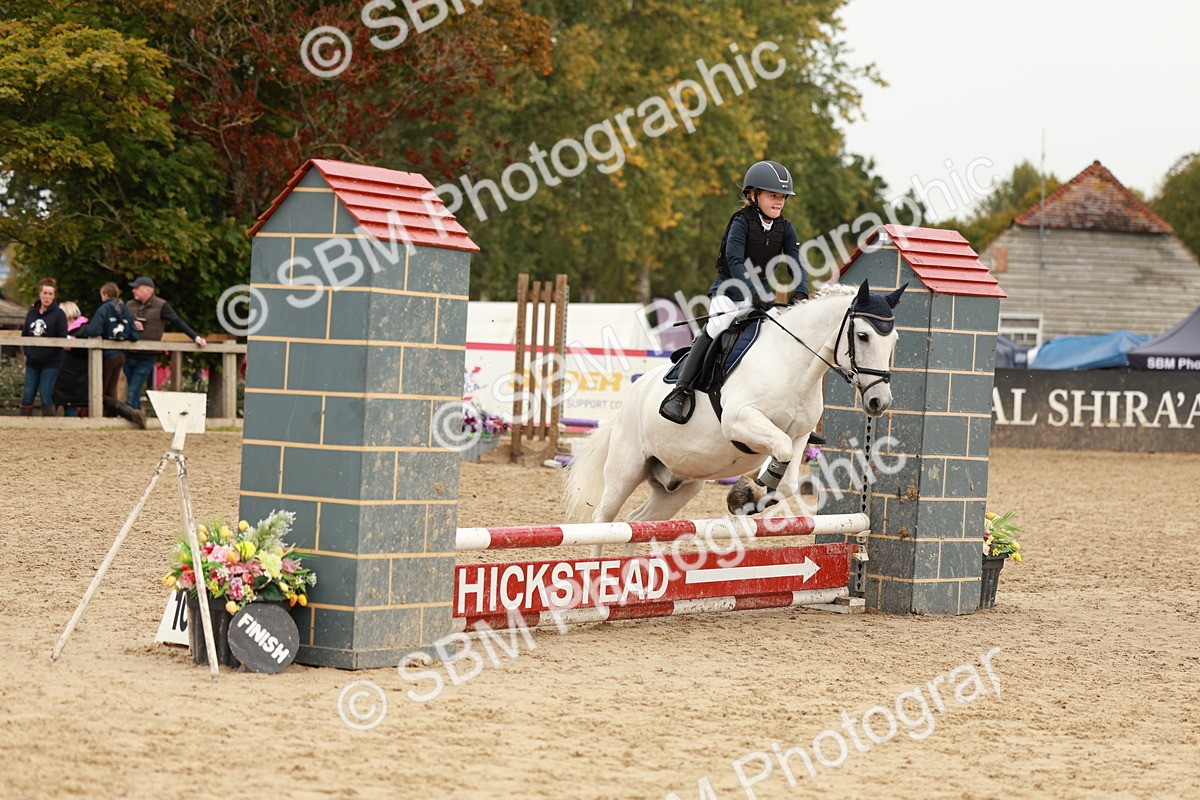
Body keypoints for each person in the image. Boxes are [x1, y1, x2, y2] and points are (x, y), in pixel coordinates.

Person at [660, 160, 805, 424]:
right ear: (754, 195)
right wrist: (753, 292)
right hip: (730, 290)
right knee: (717, 327)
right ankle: (681, 391)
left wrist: (802, 291)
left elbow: (796, 260)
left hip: (761, 295)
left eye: (782, 197)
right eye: (773, 195)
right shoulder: (741, 222)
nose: (779, 201)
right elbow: (734, 261)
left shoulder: (785, 227)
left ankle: (788, 409)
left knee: (782, 335)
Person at [125, 276, 207, 411]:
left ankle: (130, 414)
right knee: (133, 389)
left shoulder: (161, 305)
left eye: (137, 288)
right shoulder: (129, 305)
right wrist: (131, 324)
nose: (133, 291)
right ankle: (137, 417)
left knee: (133, 390)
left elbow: (178, 322)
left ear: (147, 290)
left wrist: (195, 337)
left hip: (146, 355)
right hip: (128, 353)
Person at [86, 282, 146, 427]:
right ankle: (111, 420)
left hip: (107, 356)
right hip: (120, 356)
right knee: (109, 391)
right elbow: (134, 336)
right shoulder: (125, 309)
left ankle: (131, 413)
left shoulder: (104, 308)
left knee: (99, 393)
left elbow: (93, 330)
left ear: (105, 295)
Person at [20, 277, 68, 416]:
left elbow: (62, 337)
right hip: (32, 361)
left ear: (54, 296)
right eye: (45, 293)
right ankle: (23, 425)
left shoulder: (59, 314)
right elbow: (25, 335)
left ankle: (48, 427)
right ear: (40, 294)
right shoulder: (31, 313)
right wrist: (28, 352)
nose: (47, 297)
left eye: (50, 294)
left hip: (51, 362)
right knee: (28, 394)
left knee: (46, 395)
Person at [52, 301, 90, 417]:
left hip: (75, 375)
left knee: (71, 405)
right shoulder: (57, 329)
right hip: (59, 373)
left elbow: (87, 351)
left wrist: (74, 347)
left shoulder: (84, 329)